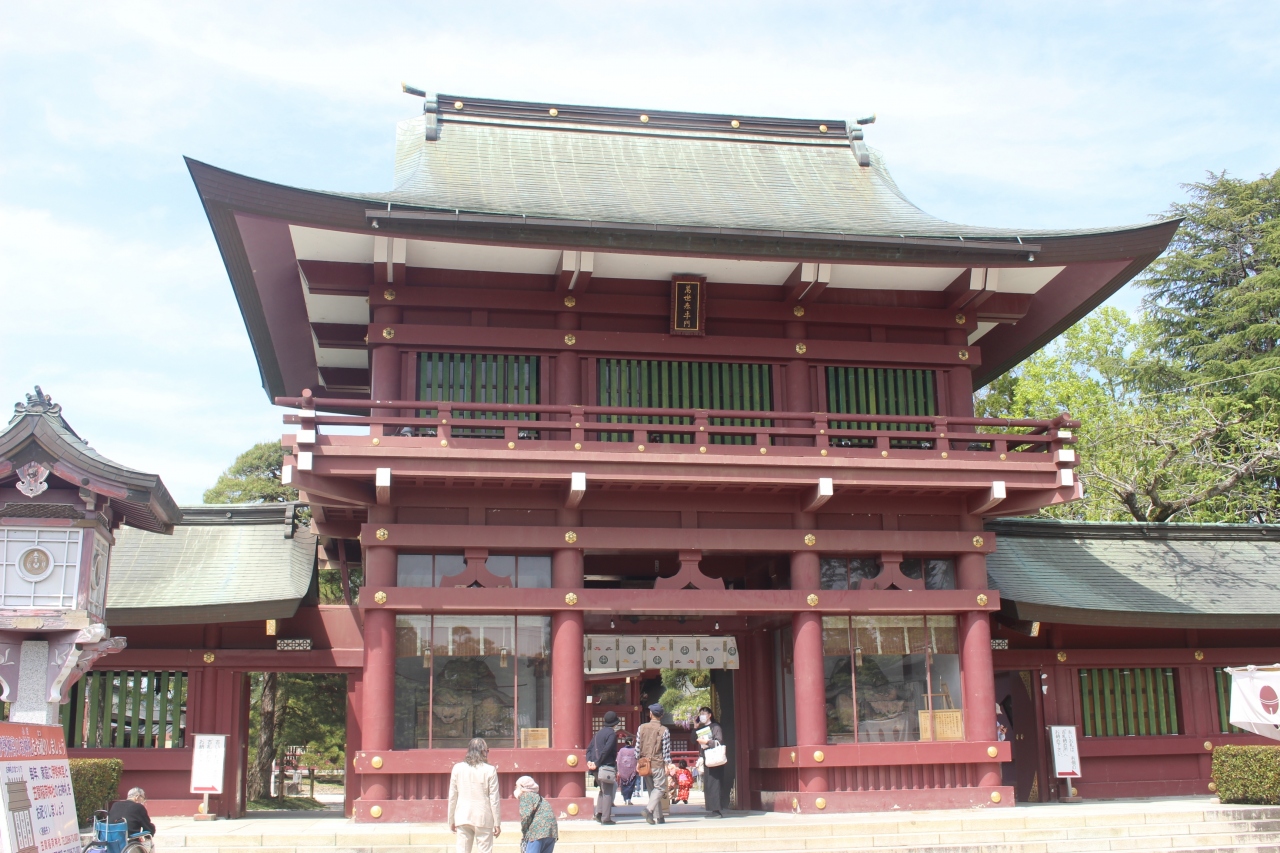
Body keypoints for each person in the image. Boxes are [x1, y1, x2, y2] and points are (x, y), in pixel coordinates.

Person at [448, 738, 502, 853]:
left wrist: (451, 819)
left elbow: (452, 797)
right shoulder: (490, 770)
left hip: (463, 816)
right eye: (487, 750)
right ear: (483, 751)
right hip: (483, 816)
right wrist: (497, 822)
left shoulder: (457, 768)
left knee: (462, 850)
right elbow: (494, 799)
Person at [635, 703, 671, 825]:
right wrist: (667, 764)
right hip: (657, 763)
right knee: (660, 788)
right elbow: (666, 750)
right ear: (662, 715)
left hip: (644, 763)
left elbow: (637, 747)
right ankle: (648, 810)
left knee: (652, 790)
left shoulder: (641, 728)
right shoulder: (664, 730)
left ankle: (659, 817)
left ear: (650, 714)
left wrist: (637, 761)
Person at [585, 710, 620, 824]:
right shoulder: (611, 734)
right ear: (615, 723)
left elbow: (589, 749)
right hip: (605, 766)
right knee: (608, 792)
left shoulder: (598, 733)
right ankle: (606, 818)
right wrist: (597, 762)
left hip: (596, 768)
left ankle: (599, 813)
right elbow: (607, 750)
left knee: (602, 790)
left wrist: (590, 761)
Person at [693, 706, 726, 818]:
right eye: (700, 714)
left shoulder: (716, 727)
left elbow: (719, 740)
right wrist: (695, 727)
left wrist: (706, 742)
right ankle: (712, 809)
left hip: (714, 758)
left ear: (709, 715)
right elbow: (693, 740)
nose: (702, 716)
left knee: (715, 784)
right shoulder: (702, 728)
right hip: (706, 758)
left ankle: (717, 810)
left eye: (704, 714)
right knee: (708, 785)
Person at [516, 775, 558, 853]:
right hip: (551, 832)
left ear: (522, 787)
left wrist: (524, 834)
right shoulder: (538, 797)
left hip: (537, 832)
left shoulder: (526, 795)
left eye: (516, 786)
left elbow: (525, 817)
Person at [616, 734, 639, 805]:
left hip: (622, 769)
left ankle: (625, 799)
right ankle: (628, 799)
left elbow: (618, 760)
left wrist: (618, 770)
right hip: (632, 770)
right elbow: (637, 759)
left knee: (623, 784)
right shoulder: (634, 750)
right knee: (631, 785)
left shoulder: (621, 750)